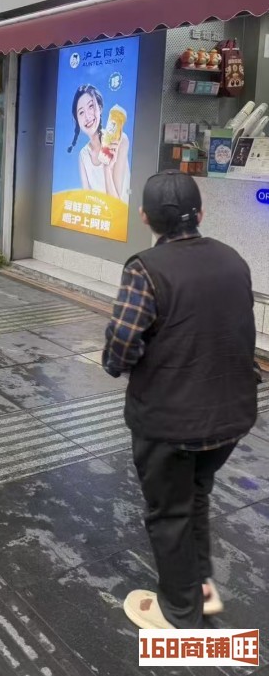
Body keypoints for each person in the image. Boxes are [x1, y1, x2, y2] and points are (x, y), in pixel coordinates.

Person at [103, 170, 259, 630]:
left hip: (170, 421)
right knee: (196, 495)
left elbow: (122, 344)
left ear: (144, 217)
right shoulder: (232, 259)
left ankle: (177, 612)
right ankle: (200, 587)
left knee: (169, 512)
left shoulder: (145, 269)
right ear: (201, 214)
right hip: (232, 413)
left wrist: (117, 364)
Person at [67, 84, 130, 202]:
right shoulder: (83, 155)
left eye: (91, 106)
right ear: (77, 121)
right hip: (97, 213)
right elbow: (87, 200)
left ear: (100, 107)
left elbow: (115, 204)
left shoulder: (120, 140)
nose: (87, 117)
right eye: (81, 112)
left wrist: (107, 168)